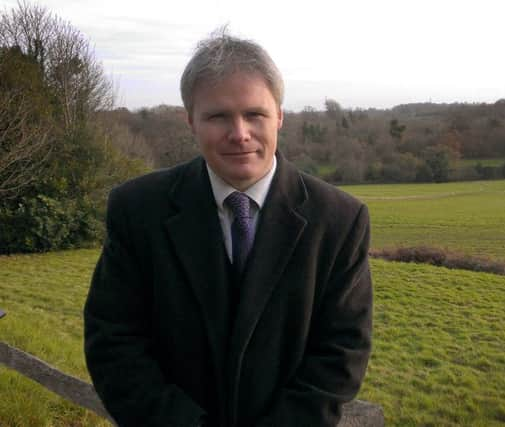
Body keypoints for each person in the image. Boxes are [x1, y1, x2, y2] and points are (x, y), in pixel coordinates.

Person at [84, 29, 373, 427]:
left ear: (280, 117)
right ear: (190, 121)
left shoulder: (339, 220)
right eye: (218, 116)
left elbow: (341, 353)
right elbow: (113, 342)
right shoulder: (137, 209)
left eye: (254, 114)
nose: (239, 133)